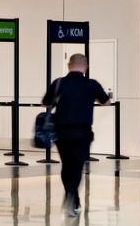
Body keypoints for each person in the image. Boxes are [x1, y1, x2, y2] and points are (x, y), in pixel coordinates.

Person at [42, 53, 111, 216]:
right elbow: (106, 102)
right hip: (82, 132)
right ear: (85, 67)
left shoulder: (59, 83)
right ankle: (71, 197)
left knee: (67, 166)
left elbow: (45, 102)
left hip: (61, 132)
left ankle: (73, 199)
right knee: (77, 167)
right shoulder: (92, 84)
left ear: (68, 65)